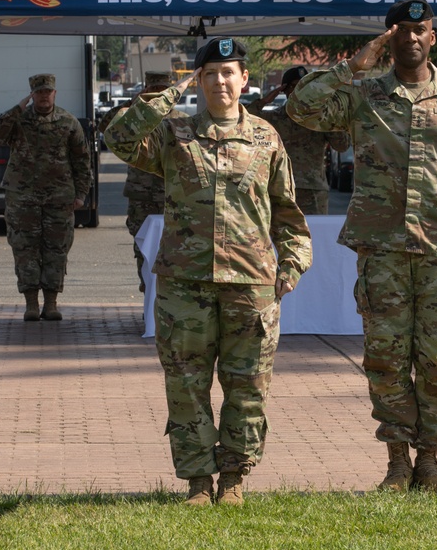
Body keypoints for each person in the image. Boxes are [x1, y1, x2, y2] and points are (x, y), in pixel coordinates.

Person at [287, 0, 437, 493]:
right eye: (400, 30)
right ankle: (396, 462)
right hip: (382, 250)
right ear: (388, 36)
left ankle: (429, 460)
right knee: (385, 357)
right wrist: (351, 65)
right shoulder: (364, 95)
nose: (411, 38)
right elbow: (301, 107)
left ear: (433, 37)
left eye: (420, 30)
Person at [104, 37, 312, 506]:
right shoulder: (173, 135)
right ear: (198, 81)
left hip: (251, 287)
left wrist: (293, 265)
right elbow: (118, 137)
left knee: (248, 385)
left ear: (244, 79)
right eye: (210, 73)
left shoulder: (266, 137)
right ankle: (198, 480)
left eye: (228, 72)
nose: (220, 81)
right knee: (186, 384)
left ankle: (234, 477)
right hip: (185, 287)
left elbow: (287, 213)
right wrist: (168, 94)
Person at [0, 73, 92, 322]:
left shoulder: (68, 122)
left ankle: (51, 303)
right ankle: (31, 304)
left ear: (55, 93)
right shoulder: (18, 120)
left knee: (56, 250)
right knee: (25, 249)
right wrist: (17, 108)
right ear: (32, 95)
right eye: (39, 92)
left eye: (48, 92)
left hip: (59, 197)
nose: (44, 96)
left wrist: (82, 194)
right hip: (23, 198)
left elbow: (82, 161)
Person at [98, 71, 188, 291]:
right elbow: (106, 126)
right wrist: (135, 103)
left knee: (177, 246)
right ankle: (147, 290)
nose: (158, 93)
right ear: (145, 91)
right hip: (143, 195)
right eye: (153, 89)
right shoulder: (133, 116)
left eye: (163, 90)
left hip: (173, 194)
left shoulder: (183, 120)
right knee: (143, 245)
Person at [247, 65, 350, 215]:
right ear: (285, 90)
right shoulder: (275, 118)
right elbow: (242, 121)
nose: (297, 91)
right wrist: (264, 101)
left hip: (313, 189)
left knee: (316, 235)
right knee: (280, 236)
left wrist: (329, 112)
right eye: (293, 86)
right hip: (281, 189)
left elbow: (342, 145)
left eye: (303, 86)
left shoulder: (320, 117)